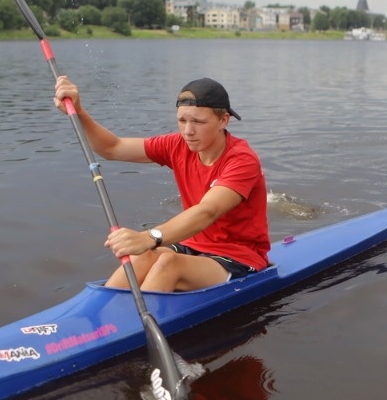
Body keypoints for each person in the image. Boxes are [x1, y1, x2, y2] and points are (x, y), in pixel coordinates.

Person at [53, 75, 269, 292]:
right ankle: (101, 318)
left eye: (199, 122)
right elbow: (112, 147)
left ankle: (130, 323)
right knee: (143, 256)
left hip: (239, 255)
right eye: (182, 121)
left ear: (223, 120)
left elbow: (207, 211)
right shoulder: (177, 144)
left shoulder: (242, 159)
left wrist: (149, 236)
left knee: (168, 263)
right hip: (193, 245)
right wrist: (79, 112)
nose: (188, 131)